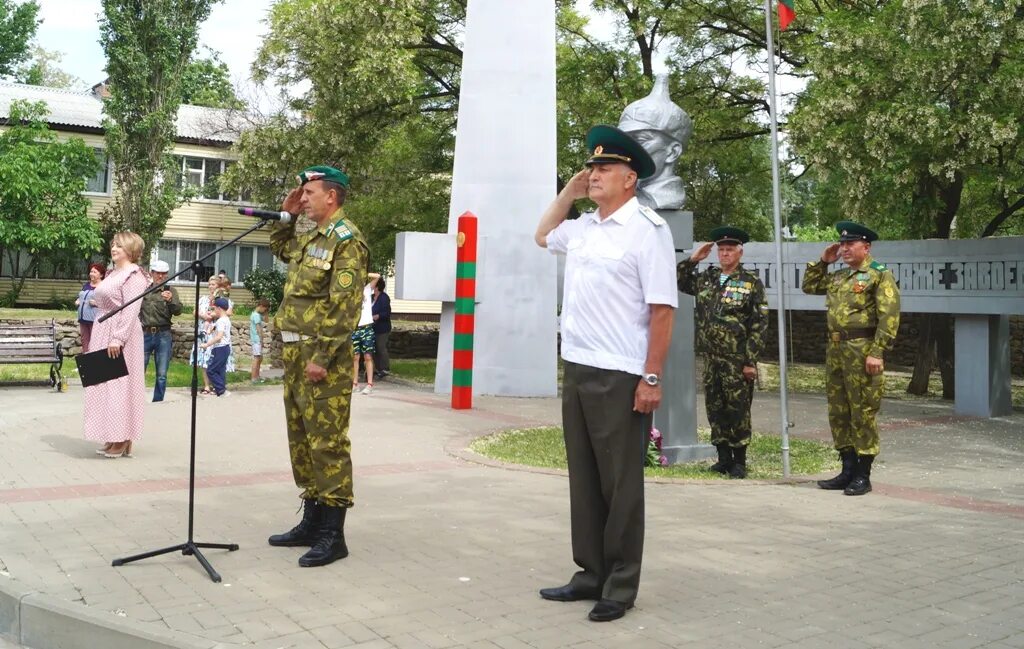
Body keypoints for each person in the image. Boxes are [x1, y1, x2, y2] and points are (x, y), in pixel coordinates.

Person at [534, 125, 677, 622]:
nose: (593, 174)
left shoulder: (648, 231)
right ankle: (589, 572)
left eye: (603, 168)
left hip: (621, 374)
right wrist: (568, 194)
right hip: (577, 365)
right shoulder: (585, 227)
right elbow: (542, 235)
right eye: (591, 167)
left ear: (630, 178)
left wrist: (651, 377)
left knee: (621, 484)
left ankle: (619, 584)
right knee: (585, 477)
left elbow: (662, 310)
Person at [267, 165, 369, 568]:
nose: (303, 197)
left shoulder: (348, 241)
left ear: (333, 196)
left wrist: (322, 357)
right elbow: (280, 248)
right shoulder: (310, 237)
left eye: (309, 192)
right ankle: (311, 521)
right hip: (295, 354)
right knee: (301, 439)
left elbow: (345, 307)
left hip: (320, 357)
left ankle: (333, 533)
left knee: (327, 442)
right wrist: (287, 216)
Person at [802, 221, 901, 496]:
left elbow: (889, 317)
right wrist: (823, 261)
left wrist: (877, 352)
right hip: (835, 350)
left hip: (862, 349)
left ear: (866, 247)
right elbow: (809, 286)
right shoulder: (839, 276)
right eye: (842, 244)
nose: (844, 248)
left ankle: (863, 474)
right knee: (839, 409)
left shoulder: (879, 275)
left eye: (850, 244)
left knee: (863, 410)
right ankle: (846, 470)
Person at [676, 226, 768, 478]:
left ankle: (739, 460)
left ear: (740, 253)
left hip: (736, 359)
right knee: (715, 406)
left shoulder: (750, 283)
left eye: (730, 250)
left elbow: (758, 325)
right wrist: (693, 260)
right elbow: (680, 281)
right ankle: (723, 457)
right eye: (721, 250)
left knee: (737, 409)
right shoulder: (708, 278)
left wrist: (750, 361)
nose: (724, 254)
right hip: (711, 358)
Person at [83, 232, 148, 459]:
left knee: (119, 385)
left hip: (120, 334)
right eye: (113, 244)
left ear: (130, 249)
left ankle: (123, 437)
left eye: (119, 245)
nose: (114, 248)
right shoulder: (112, 273)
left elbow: (131, 309)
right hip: (102, 330)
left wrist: (118, 338)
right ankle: (111, 435)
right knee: (102, 385)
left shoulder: (134, 275)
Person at [139, 260, 182, 402]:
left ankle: (158, 401)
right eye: (158, 273)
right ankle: (137, 401)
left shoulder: (170, 290)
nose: (161, 276)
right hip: (144, 333)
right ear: (152, 273)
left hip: (163, 334)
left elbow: (178, 311)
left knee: (162, 373)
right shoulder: (144, 289)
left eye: (164, 274)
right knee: (139, 371)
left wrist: (171, 301)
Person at [352, 272, 380, 395]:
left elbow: (378, 276)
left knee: (368, 356)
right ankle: (355, 383)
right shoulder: (350, 294)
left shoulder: (367, 289)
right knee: (355, 357)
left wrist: (364, 272)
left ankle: (369, 384)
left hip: (367, 327)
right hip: (355, 328)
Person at [201, 297, 232, 397]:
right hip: (225, 348)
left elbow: (219, 337)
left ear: (219, 308)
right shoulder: (225, 319)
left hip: (220, 348)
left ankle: (221, 389)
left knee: (211, 370)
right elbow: (219, 329)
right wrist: (212, 329)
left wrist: (207, 344)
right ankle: (221, 391)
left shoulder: (221, 321)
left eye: (214, 309)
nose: (214, 311)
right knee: (220, 369)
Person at [75, 263, 105, 353]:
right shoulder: (86, 285)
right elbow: (82, 296)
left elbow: (108, 303)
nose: (91, 274)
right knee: (84, 340)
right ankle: (85, 362)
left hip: (95, 319)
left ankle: (94, 362)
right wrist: (77, 301)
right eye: (91, 271)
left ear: (101, 275)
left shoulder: (103, 286)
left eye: (95, 272)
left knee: (95, 341)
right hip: (83, 318)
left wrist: (97, 303)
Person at [371, 277, 391, 380]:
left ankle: (385, 368)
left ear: (377, 286)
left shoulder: (384, 298)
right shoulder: (371, 297)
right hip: (372, 327)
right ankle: (377, 369)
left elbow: (387, 313)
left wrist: (378, 316)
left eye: (373, 283)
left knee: (381, 347)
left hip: (382, 328)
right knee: (373, 348)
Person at [250, 298, 270, 383]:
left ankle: (257, 376)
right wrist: (261, 340)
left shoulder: (256, 314)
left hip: (256, 339)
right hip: (257, 340)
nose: (265, 311)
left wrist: (266, 312)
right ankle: (254, 378)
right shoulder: (256, 316)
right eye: (265, 309)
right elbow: (259, 329)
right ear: (261, 306)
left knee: (260, 358)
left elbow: (266, 320)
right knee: (257, 358)